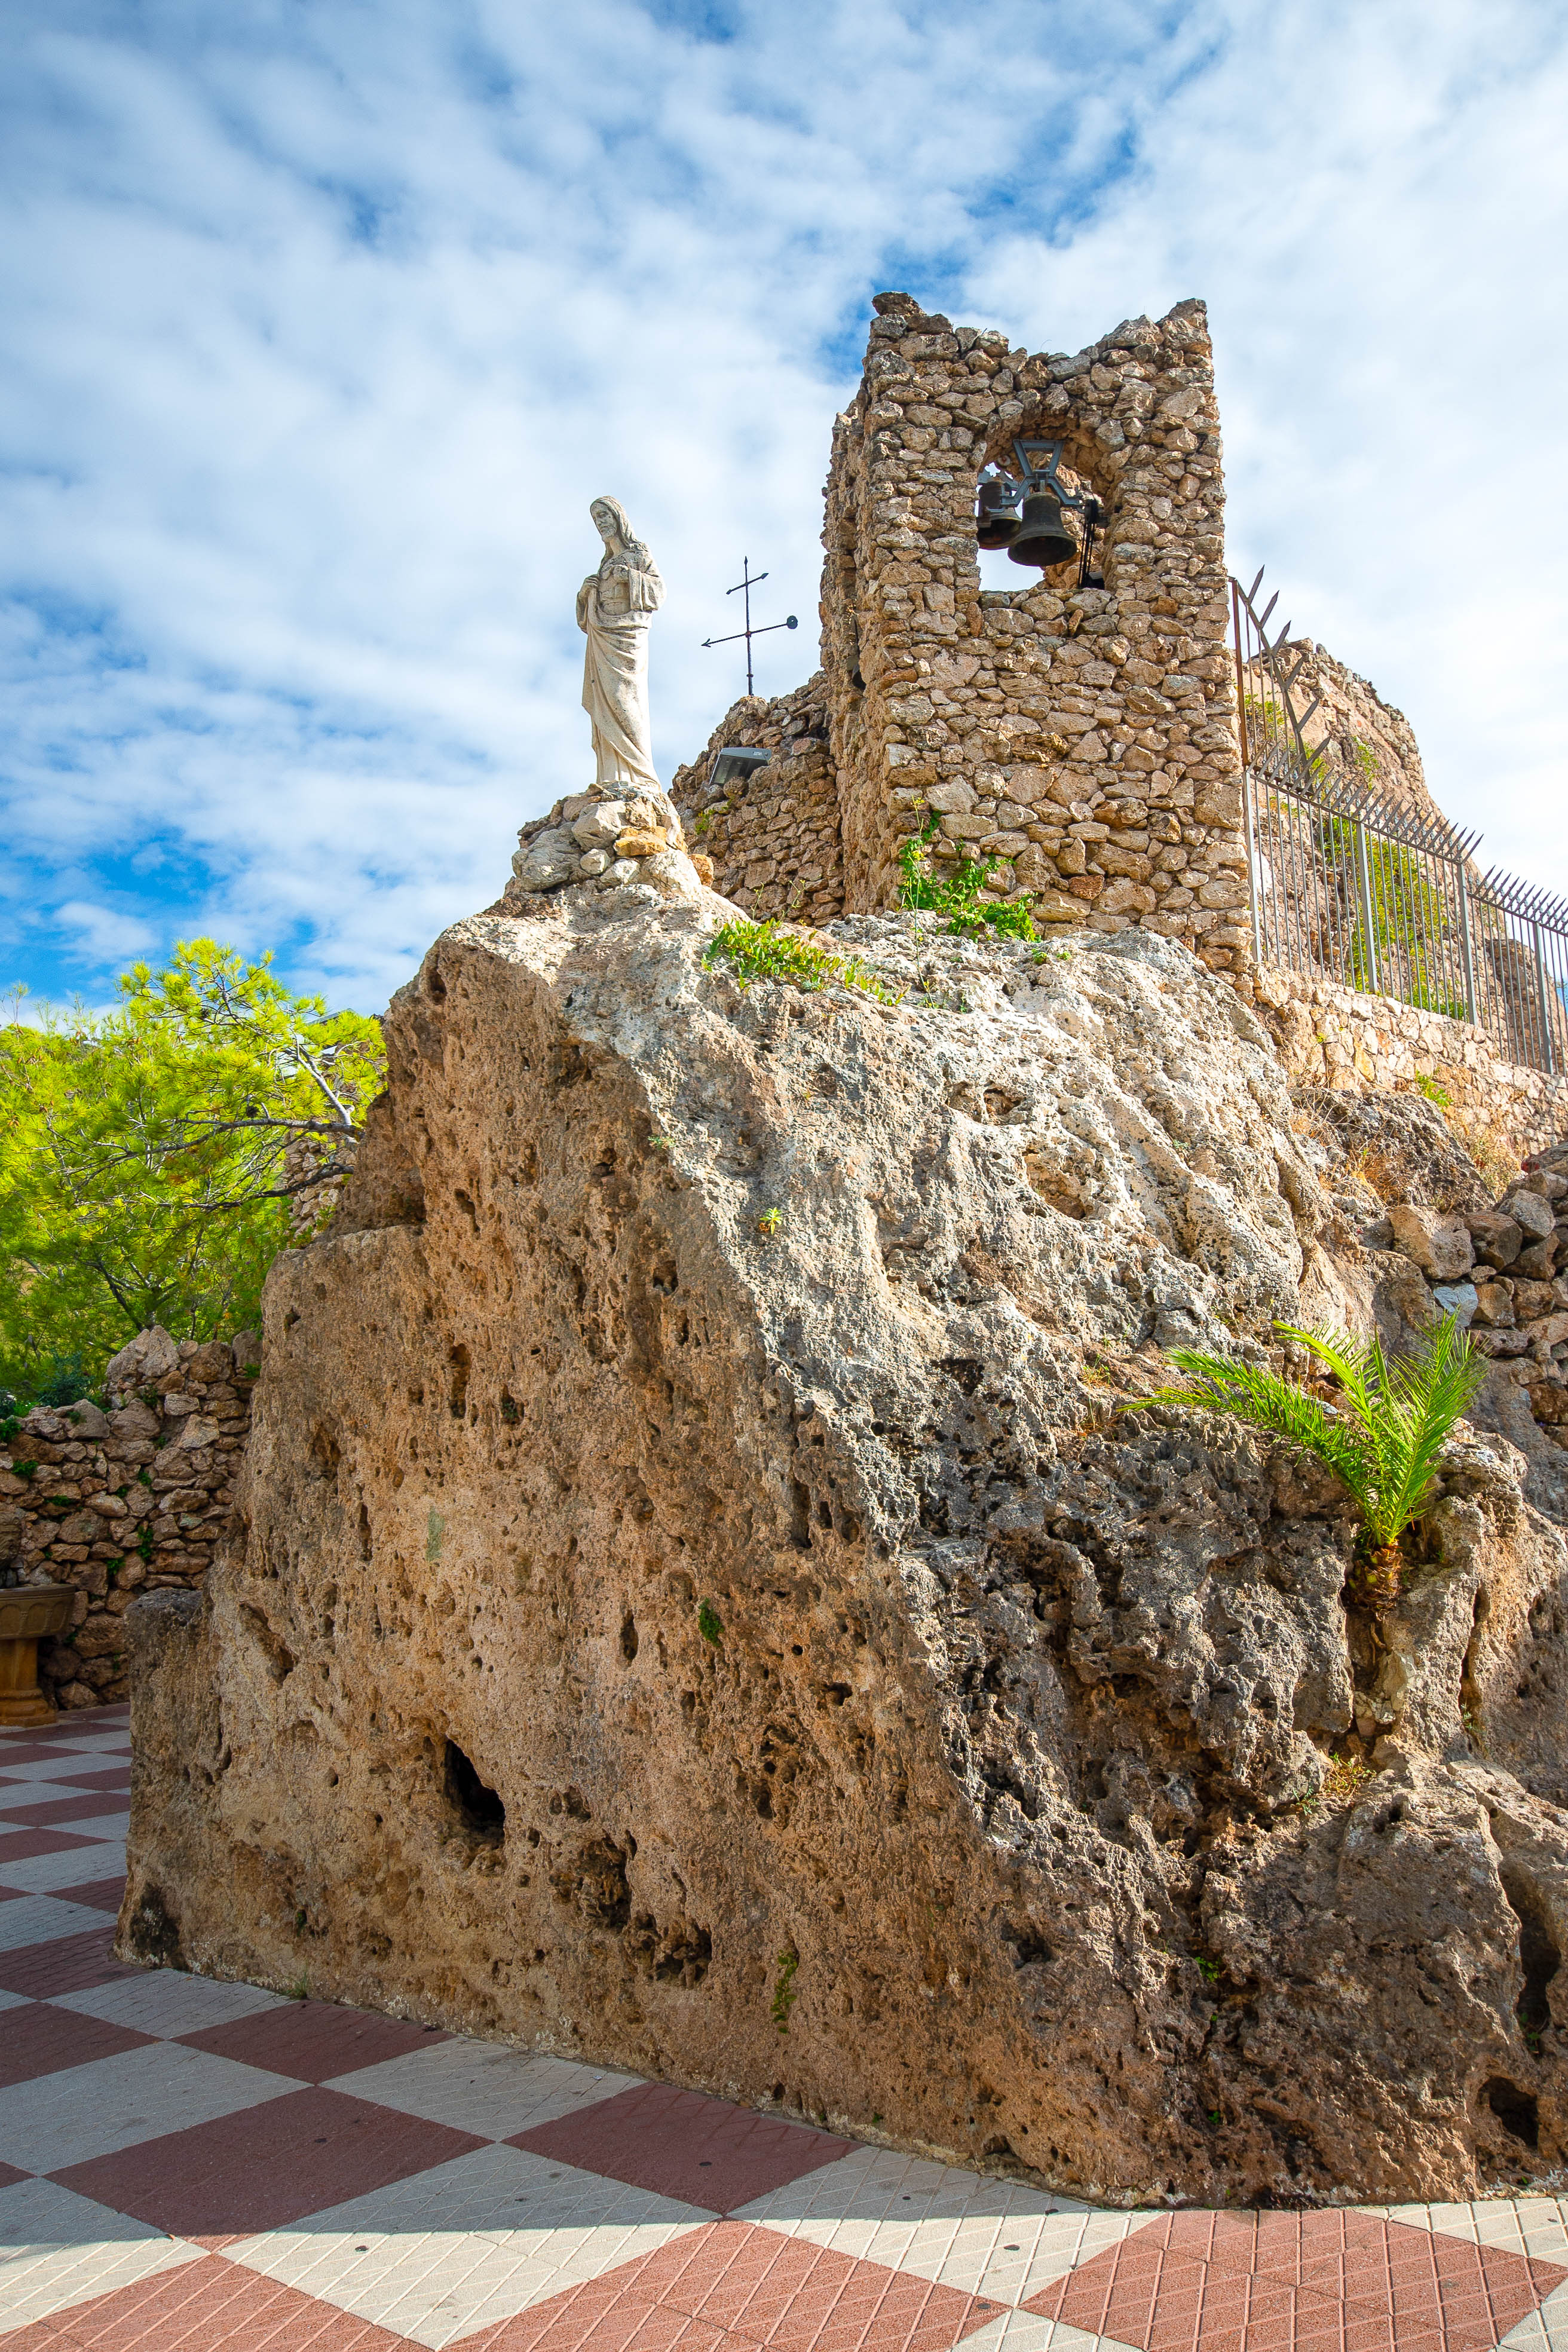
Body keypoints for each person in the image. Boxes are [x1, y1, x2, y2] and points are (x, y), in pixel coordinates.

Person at [577, 497, 664, 791]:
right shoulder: (602, 567)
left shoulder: (640, 556)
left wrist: (631, 578)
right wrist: (584, 595)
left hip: (627, 637)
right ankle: (611, 776)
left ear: (618, 517)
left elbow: (659, 593)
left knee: (626, 698)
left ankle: (639, 774)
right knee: (604, 700)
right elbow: (585, 619)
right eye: (596, 518)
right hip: (602, 637)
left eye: (604, 514)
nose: (600, 522)